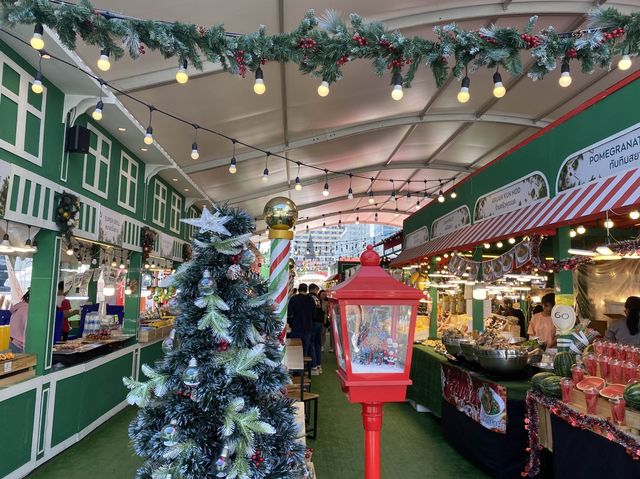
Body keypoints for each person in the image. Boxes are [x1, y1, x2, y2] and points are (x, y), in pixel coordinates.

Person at [287, 283, 315, 363]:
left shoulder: (294, 299)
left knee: (295, 348)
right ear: (306, 289)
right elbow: (314, 314)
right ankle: (304, 368)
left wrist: (290, 322)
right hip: (308, 327)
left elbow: (289, 313)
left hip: (296, 327)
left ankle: (295, 366)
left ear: (299, 289)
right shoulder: (311, 299)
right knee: (305, 349)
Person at [308, 283, 324, 375]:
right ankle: (318, 365)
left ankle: (313, 366)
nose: (317, 292)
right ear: (314, 289)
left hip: (313, 323)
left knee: (311, 344)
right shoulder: (318, 299)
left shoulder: (310, 298)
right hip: (319, 323)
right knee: (318, 344)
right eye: (317, 290)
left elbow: (312, 312)